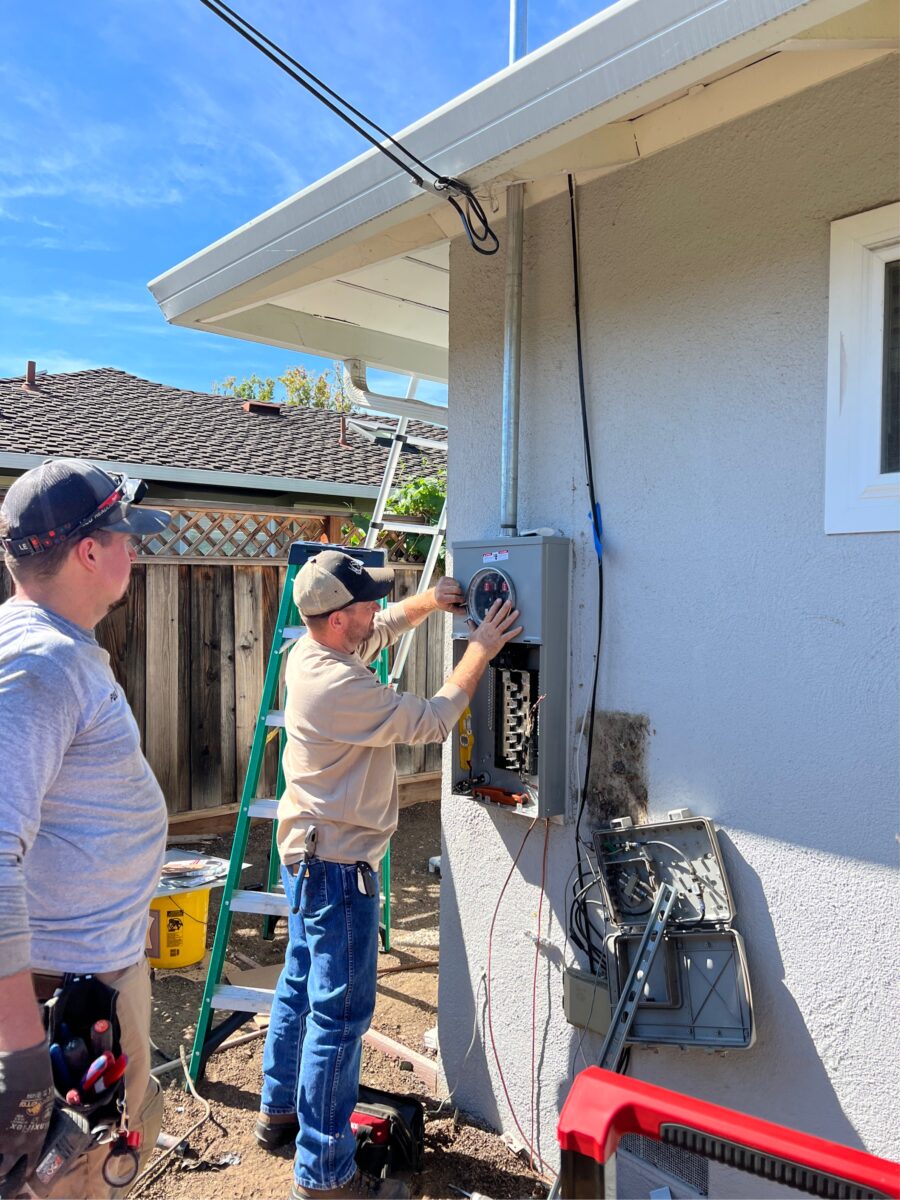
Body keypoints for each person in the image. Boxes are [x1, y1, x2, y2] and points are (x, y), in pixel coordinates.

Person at [257, 549, 522, 1200]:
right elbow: (433, 721)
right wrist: (481, 648)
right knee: (340, 1018)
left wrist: (429, 604)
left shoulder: (313, 651)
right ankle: (324, 1177)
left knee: (299, 986)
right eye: (367, 602)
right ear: (338, 616)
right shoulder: (339, 685)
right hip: (336, 869)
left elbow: (381, 629)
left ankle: (279, 1113)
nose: (377, 608)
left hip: (307, 854)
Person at [0, 458, 172, 1199]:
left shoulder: (49, 647)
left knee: (120, 1152)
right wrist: (23, 1053)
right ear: (88, 552)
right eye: (122, 534)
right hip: (62, 999)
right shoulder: (42, 663)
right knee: (77, 1183)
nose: (133, 548)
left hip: (87, 979)